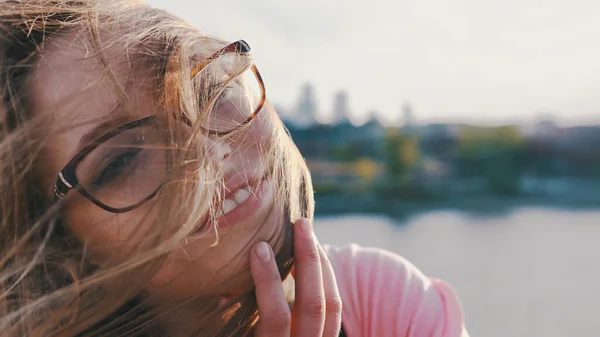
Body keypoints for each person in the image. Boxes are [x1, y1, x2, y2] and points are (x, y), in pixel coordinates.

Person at [0, 0, 468, 336]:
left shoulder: (380, 302)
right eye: (123, 158)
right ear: (58, 248)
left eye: (209, 91)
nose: (207, 151)